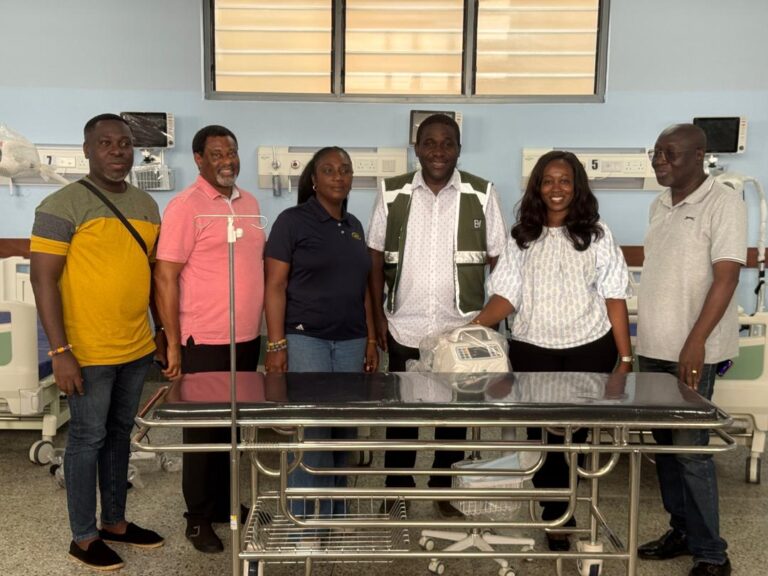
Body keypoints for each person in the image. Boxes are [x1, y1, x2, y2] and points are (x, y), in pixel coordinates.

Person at [471, 149, 632, 551]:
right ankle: (557, 514)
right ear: (537, 187)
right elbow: (506, 296)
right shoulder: (521, 237)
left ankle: (580, 501)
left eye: (564, 180)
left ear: (576, 186)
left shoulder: (597, 233)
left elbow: (614, 297)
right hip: (533, 350)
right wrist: (469, 330)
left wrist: (625, 359)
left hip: (589, 348)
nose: (556, 188)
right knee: (546, 437)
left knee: (578, 437)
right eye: (548, 181)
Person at [30, 113, 164, 571]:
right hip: (85, 352)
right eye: (105, 142)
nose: (116, 150)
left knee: (119, 436)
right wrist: (60, 351)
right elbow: (43, 282)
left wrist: (159, 333)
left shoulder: (148, 206)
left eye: (124, 143)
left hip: (135, 347)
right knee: (87, 439)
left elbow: (148, 278)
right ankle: (83, 538)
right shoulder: (61, 205)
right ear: (86, 149)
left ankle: (117, 524)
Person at [367, 113, 507, 518]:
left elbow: (499, 258)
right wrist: (377, 321)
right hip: (404, 324)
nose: (438, 151)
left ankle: (444, 487)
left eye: (448, 143)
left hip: (460, 327)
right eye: (430, 142)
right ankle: (397, 488)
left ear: (459, 149)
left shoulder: (481, 194)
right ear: (417, 148)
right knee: (403, 413)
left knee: (454, 414)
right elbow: (375, 257)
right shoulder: (392, 193)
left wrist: (488, 322)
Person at [635, 124, 744, 576]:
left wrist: (696, 341)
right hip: (655, 349)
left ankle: (712, 554)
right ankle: (682, 530)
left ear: (700, 156)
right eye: (656, 153)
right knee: (666, 452)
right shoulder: (659, 205)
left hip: (691, 351)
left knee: (691, 453)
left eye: (670, 154)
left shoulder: (724, 203)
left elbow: (727, 277)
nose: (660, 160)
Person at [154, 125, 265, 553]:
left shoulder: (251, 204)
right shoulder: (186, 207)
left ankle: (221, 503)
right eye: (216, 153)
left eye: (232, 152)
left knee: (232, 427)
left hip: (245, 338)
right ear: (198, 159)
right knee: (202, 433)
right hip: (203, 337)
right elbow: (165, 276)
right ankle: (197, 518)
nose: (227, 161)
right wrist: (173, 341)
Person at [264, 146, 378, 520]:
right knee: (313, 436)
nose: (338, 176)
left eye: (345, 169)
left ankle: (335, 517)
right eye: (329, 170)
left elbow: (363, 288)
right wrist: (277, 343)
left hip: (351, 340)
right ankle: (304, 523)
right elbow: (275, 286)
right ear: (314, 178)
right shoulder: (292, 221)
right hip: (305, 338)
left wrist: (372, 339)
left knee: (344, 434)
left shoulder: (355, 226)